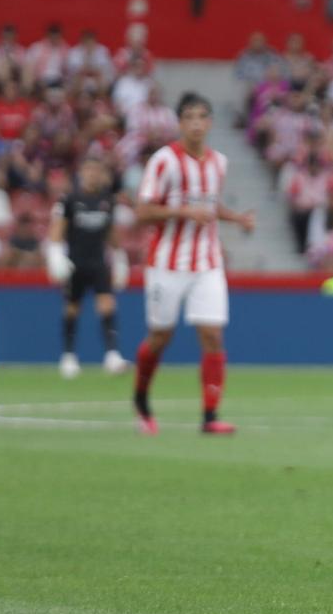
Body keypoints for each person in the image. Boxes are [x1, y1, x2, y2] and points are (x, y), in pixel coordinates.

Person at [132, 94, 256, 435]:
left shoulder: (219, 162)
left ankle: (210, 416)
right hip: (167, 263)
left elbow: (209, 206)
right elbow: (143, 212)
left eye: (202, 116)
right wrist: (184, 211)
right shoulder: (163, 161)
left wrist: (237, 219)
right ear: (179, 123)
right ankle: (141, 399)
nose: (197, 123)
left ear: (210, 122)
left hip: (207, 262)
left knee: (213, 335)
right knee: (160, 337)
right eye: (189, 117)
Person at [47, 155, 127, 378]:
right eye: (88, 169)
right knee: (72, 307)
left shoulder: (107, 200)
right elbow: (57, 231)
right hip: (75, 263)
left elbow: (111, 233)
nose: (92, 174)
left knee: (107, 305)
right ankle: (69, 355)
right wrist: (56, 256)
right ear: (81, 173)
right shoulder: (70, 200)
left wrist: (120, 257)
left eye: (96, 170)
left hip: (98, 262)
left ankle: (112, 354)